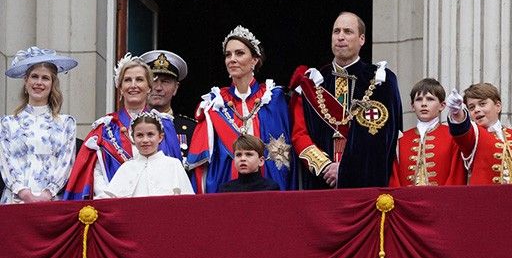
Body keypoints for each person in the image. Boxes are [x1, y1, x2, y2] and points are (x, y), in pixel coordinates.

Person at [289, 11, 402, 189]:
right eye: (336, 31)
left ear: (362, 39)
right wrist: (325, 167)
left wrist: (346, 170)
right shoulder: (311, 82)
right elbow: (299, 134)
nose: (341, 37)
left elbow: (384, 138)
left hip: (366, 185)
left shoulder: (382, 81)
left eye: (348, 32)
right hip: (321, 184)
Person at [187, 26, 296, 193]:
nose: (232, 59)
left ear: (254, 60)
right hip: (227, 186)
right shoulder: (216, 103)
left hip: (271, 186)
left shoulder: (274, 99)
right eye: (228, 55)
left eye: (239, 53)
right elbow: (203, 161)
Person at [64, 53, 182, 199]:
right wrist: (108, 198)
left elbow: (176, 175)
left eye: (139, 79)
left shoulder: (165, 125)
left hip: (159, 207)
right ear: (120, 88)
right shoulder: (104, 128)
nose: (133, 85)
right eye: (127, 80)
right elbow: (96, 172)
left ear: (149, 88)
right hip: (115, 207)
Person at [0, 46, 78, 203]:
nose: (39, 82)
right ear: (26, 80)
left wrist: (48, 193)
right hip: (14, 202)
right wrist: (23, 192)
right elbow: (5, 162)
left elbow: (66, 163)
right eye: (34, 76)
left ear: (52, 84)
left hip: (51, 203)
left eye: (45, 78)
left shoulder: (66, 124)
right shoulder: (7, 123)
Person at [446, 83, 512, 184]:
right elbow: (462, 132)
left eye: (482, 104)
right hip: (485, 199)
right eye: (471, 107)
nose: (477, 110)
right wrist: (457, 113)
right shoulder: (474, 136)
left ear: (498, 106)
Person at [389, 78, 465, 187]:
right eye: (419, 99)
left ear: (442, 105)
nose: (424, 104)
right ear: (412, 106)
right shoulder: (400, 139)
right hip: (407, 201)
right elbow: (394, 178)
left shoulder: (452, 136)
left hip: (441, 201)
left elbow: (456, 175)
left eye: (430, 99)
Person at [100, 110, 194, 198]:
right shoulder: (126, 168)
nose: (145, 140)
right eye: (140, 135)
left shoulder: (173, 165)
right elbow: (114, 203)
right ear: (133, 138)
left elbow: (187, 202)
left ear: (160, 137)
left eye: (150, 134)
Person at [139, 50, 197, 162]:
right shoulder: (129, 126)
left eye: (165, 82)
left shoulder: (192, 130)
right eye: (153, 80)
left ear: (176, 88)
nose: (158, 87)